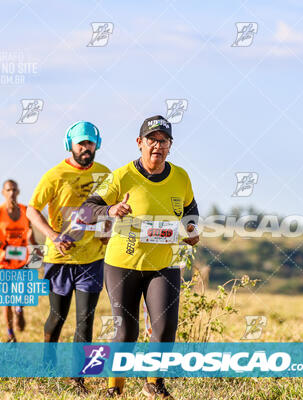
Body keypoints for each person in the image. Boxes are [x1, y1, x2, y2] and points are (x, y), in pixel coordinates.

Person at [81, 115, 199, 399]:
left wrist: (192, 229)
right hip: (123, 264)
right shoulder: (122, 176)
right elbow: (86, 210)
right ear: (139, 143)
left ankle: (154, 385)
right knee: (126, 332)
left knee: (165, 327)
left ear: (170, 146)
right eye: (152, 140)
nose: (157, 146)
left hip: (164, 264)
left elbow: (191, 210)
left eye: (164, 141)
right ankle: (114, 389)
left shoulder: (181, 177)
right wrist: (109, 211)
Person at [25, 121, 111, 394]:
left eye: (90, 143)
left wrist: (107, 231)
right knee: (57, 317)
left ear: (97, 144)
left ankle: (77, 379)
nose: (86, 148)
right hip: (60, 259)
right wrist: (52, 234)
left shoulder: (105, 173)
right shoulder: (55, 175)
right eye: (81, 143)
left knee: (85, 319)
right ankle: (48, 360)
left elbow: (111, 209)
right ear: (69, 145)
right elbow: (32, 210)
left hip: (92, 259)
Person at [0, 179, 37, 342]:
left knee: (23, 295)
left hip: (21, 261)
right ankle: (10, 334)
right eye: (8, 190)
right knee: (7, 300)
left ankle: (20, 309)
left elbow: (32, 236)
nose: (11, 193)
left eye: (14, 190)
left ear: (18, 192)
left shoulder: (26, 211)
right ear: (3, 193)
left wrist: (38, 254)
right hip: (2, 263)